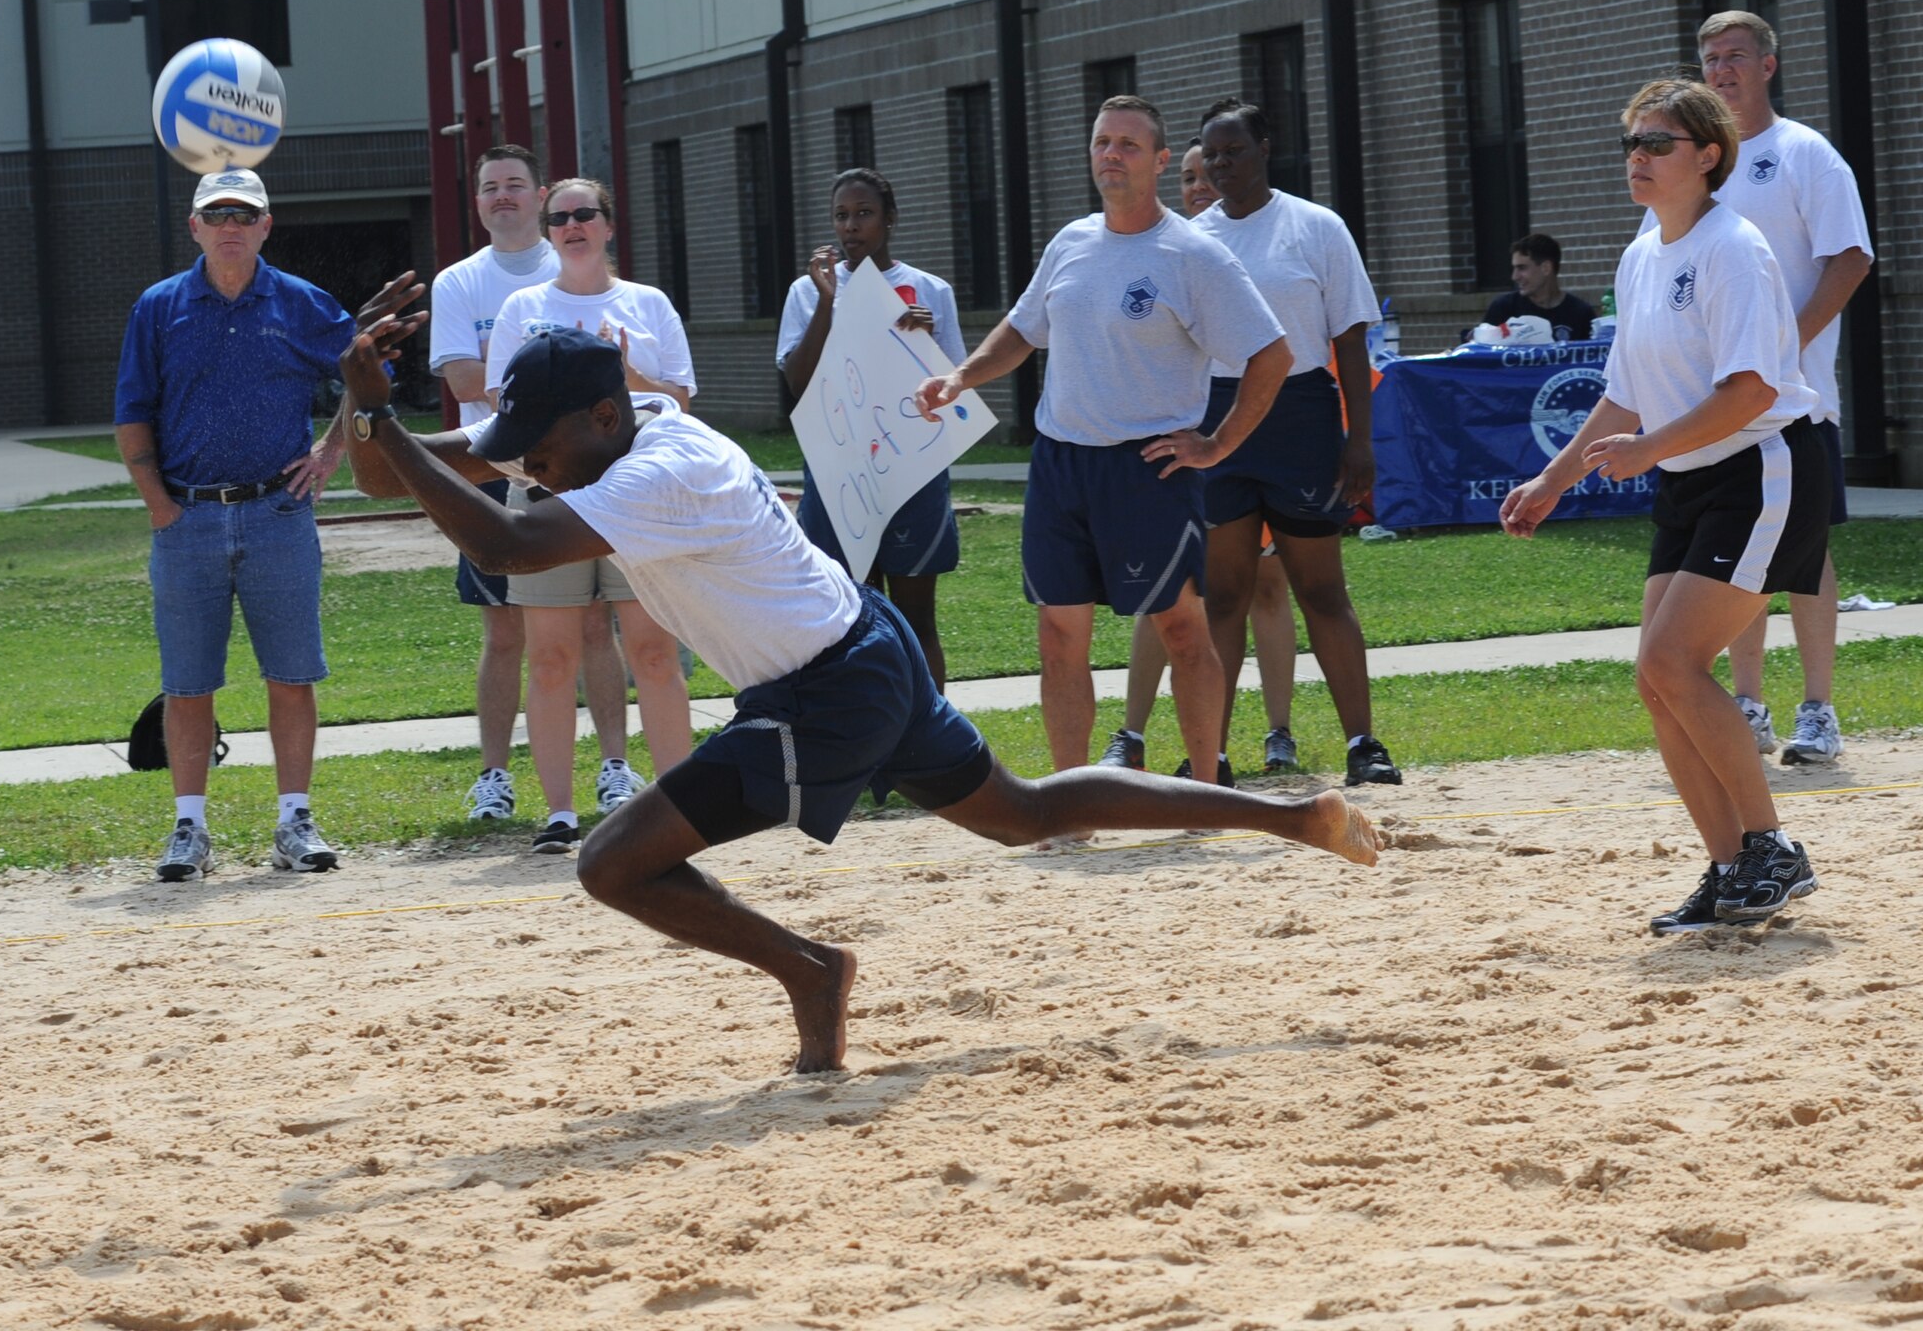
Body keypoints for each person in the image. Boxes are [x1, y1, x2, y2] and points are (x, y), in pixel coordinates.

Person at [339, 304, 1382, 1071]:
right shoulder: (594, 434)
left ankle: (809, 971)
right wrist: (364, 404)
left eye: (545, 452)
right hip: (854, 648)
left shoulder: (659, 472)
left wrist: (390, 425)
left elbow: (505, 544)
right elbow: (391, 474)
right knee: (1022, 812)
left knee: (612, 861)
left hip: (822, 691)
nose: (534, 468)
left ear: (608, 413)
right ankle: (1294, 817)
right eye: (520, 452)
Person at [1501, 79, 1828, 935]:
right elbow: (1623, 395)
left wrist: (1649, 450)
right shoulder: (1645, 250)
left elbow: (1752, 388)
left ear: (1708, 155)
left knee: (1674, 662)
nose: (1637, 159)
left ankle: (1772, 846)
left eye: (1658, 144)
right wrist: (1554, 480)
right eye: (1632, 145)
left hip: (1762, 467)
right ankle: (1729, 868)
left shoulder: (1733, 247)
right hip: (1693, 477)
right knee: (1657, 678)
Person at [918, 95, 1293, 801]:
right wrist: (961, 375)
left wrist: (1215, 445)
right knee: (1059, 641)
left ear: (1158, 160)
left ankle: (1206, 792)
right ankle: (1068, 803)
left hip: (1149, 467)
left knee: (1183, 630)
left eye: (1127, 144)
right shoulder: (1071, 242)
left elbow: (1271, 355)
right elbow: (1025, 329)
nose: (1110, 154)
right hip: (1062, 463)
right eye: (1101, 142)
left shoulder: (1192, 255)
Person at [113, 168, 355, 882]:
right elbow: (131, 411)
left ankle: (294, 821)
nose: (229, 225)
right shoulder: (159, 308)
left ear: (265, 226)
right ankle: (189, 826)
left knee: (291, 675)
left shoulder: (300, 302)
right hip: (187, 518)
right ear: (194, 227)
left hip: (278, 513)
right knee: (188, 685)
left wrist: (334, 446)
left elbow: (366, 373)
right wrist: (158, 502)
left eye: (243, 214)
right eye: (215, 213)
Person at [1191, 98, 1401, 788]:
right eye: (1211, 155)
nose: (1222, 165)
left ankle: (1364, 745)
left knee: (1321, 588)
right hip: (1220, 418)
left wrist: (1358, 438)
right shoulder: (1191, 239)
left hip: (1302, 414)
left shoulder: (1316, 227)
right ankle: (1209, 758)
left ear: (1265, 148)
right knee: (1222, 594)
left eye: (1234, 151)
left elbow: (1349, 337)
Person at [483, 177, 698, 853]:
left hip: (639, 499)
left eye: (586, 214)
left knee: (656, 654)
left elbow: (681, 406)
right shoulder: (524, 306)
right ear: (547, 232)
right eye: (561, 218)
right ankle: (559, 815)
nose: (573, 225)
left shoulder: (649, 304)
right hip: (550, 497)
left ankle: (679, 810)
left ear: (609, 225)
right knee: (550, 658)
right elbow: (502, 407)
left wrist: (631, 379)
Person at [1691, 10, 1874, 766]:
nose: (1722, 70)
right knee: (1737, 556)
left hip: (1796, 400)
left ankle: (1819, 710)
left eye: (1736, 56)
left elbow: (1850, 259)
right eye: (1710, 60)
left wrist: (1781, 346)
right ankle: (1749, 706)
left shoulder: (1805, 155)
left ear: (1768, 65)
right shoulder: (1701, 163)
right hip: (1716, 405)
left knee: (1806, 555)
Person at [1108, 135, 1302, 776]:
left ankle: (1277, 734)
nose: (1199, 186)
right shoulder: (1156, 252)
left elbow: (1276, 353)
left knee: (1266, 584)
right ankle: (1131, 735)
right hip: (1176, 432)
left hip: (1244, 430)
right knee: (1168, 591)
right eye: (1188, 176)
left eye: (1207, 174)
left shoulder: (1239, 251)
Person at [778, 168, 962, 688]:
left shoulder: (930, 290)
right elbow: (797, 382)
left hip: (912, 472)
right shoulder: (807, 292)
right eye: (841, 215)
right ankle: (859, 740)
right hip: (839, 473)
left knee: (915, 618)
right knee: (847, 618)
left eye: (864, 214)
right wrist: (829, 302)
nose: (851, 226)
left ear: (890, 219)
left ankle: (930, 749)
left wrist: (925, 341)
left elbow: (957, 390)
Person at [427, 144, 556, 823]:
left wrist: (512, 379)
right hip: (487, 472)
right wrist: (552, 381)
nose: (501, 196)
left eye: (514, 185)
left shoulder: (576, 264)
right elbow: (463, 382)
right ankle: (495, 778)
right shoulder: (459, 283)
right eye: (489, 187)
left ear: (541, 195)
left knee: (588, 631)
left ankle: (612, 776)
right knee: (504, 636)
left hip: (575, 472)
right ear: (476, 203)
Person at [1481, 233, 1597, 342]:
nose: (1514, 277)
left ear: (1546, 268)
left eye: (1522, 268)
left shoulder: (1581, 314)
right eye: (1514, 268)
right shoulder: (1504, 309)